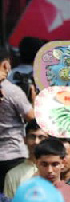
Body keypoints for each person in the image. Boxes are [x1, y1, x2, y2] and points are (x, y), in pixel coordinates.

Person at [0, 46, 34, 189]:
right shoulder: (12, 90)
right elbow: (32, 118)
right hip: (13, 155)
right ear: (6, 64)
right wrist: (34, 101)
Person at [4, 120, 44, 198]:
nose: (36, 142)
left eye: (41, 137)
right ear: (25, 140)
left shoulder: (55, 171)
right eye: (32, 137)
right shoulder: (13, 175)